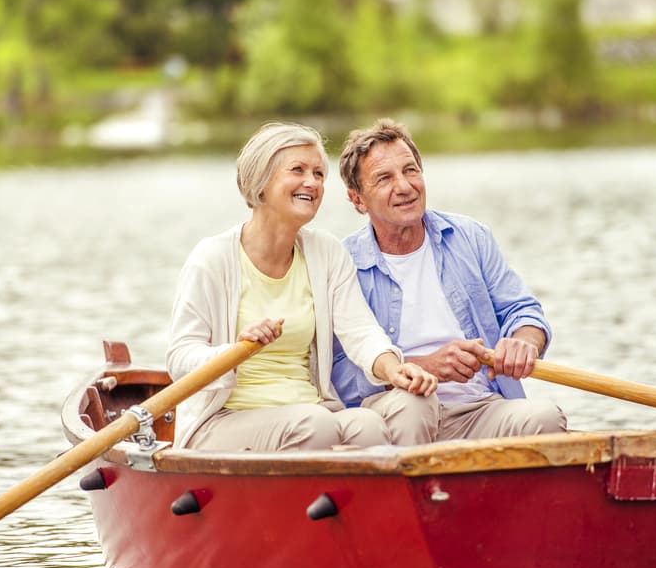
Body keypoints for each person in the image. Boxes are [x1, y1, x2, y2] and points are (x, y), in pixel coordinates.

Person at [166, 122, 437, 452]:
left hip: (311, 412)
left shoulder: (326, 252)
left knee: (367, 426)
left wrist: (394, 370)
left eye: (319, 174)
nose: (312, 182)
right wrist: (235, 351)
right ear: (261, 181)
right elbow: (179, 357)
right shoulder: (211, 258)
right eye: (298, 170)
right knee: (316, 423)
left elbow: (361, 331)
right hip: (223, 420)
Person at [331, 118, 566, 445]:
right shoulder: (343, 262)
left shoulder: (470, 236)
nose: (404, 186)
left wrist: (523, 343)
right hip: (395, 410)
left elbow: (523, 311)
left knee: (545, 417)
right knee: (416, 405)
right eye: (384, 178)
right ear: (358, 199)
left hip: (480, 407)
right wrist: (424, 366)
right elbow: (336, 373)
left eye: (411, 171)